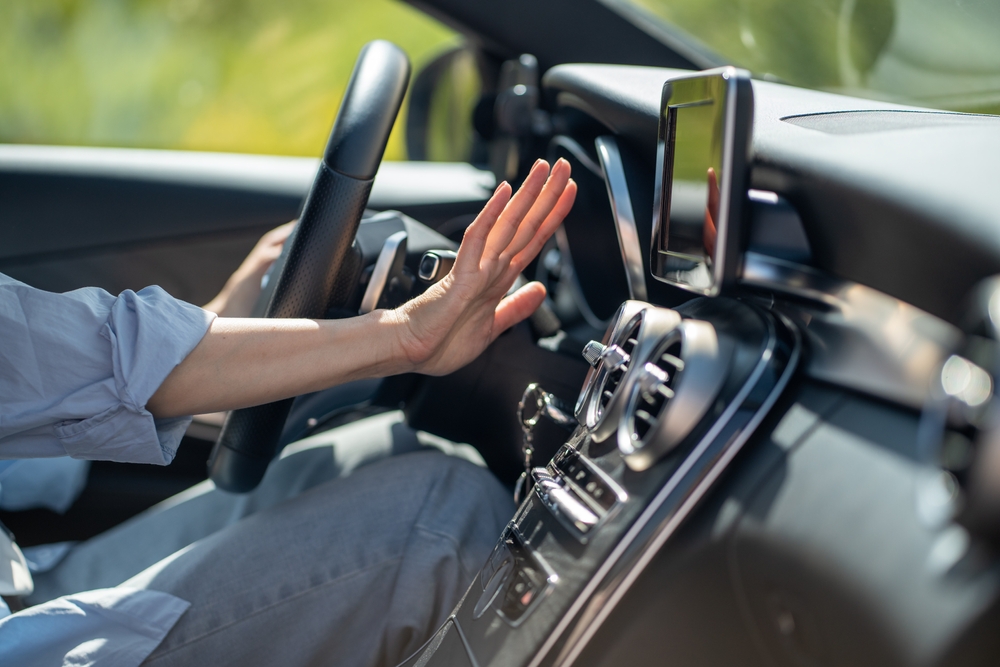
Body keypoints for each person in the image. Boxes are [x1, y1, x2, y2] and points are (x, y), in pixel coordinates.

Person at [0, 158, 577, 667]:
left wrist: (218, 323)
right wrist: (403, 337)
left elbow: (34, 396)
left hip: (27, 578)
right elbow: (82, 368)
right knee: (448, 519)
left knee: (393, 449)